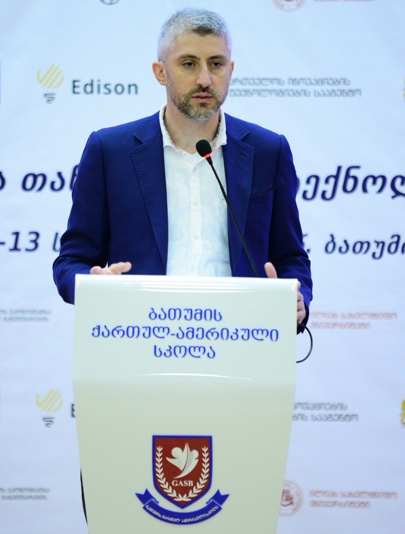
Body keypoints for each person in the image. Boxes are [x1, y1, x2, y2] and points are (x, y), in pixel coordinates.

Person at [53, 7, 312, 328]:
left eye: (216, 64)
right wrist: (93, 285)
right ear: (160, 72)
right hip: (138, 335)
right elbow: (72, 261)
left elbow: (290, 258)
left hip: (242, 335)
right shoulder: (110, 151)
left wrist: (296, 301)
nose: (204, 79)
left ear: (231, 69)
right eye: (189, 64)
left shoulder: (268, 151)